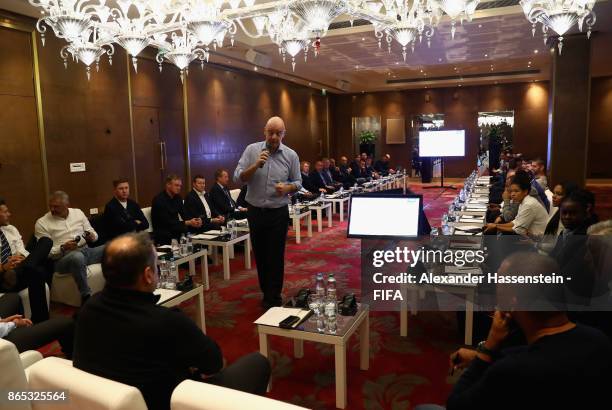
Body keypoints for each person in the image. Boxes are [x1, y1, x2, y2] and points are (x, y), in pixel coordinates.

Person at [73, 233, 270, 410]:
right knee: (257, 363)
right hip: (173, 401)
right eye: (157, 266)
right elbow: (213, 363)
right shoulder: (166, 321)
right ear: (148, 275)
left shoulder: (87, 309)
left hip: (101, 399)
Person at [443, 252, 612, 410]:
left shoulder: (511, 370)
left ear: (512, 303)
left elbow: (456, 405)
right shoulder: (600, 340)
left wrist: (486, 350)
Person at [233, 116, 301, 309]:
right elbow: (238, 177)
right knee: (261, 255)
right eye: (270, 132)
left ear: (283, 134)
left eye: (278, 133)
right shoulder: (252, 150)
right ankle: (266, 293)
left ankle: (275, 296)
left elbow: (298, 182)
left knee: (276, 255)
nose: (273, 137)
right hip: (255, 212)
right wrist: (255, 165)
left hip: (278, 212)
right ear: (264, 131)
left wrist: (288, 188)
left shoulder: (291, 155)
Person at [35, 191, 105, 304]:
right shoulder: (42, 223)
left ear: (67, 205)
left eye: (56, 207)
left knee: (111, 248)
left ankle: (116, 288)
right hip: (62, 259)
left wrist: (92, 236)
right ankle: (86, 297)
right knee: (77, 257)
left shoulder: (78, 213)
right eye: (50, 206)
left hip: (86, 251)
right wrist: (63, 247)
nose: (52, 209)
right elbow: (43, 253)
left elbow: (94, 234)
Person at [0, 198, 52, 323]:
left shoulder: (11, 229)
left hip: (19, 270)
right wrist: (4, 267)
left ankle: (28, 266)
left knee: (46, 241)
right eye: (5, 212)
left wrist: (21, 258)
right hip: (3, 277)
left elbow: (22, 250)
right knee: (37, 271)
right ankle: (41, 320)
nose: (9, 214)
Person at [0, 292, 73, 355]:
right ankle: (75, 363)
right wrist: (14, 323)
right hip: (2, 341)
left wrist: (3, 320)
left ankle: (25, 330)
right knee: (67, 323)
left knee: (12, 297)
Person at [484, 171, 548, 237]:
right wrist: (495, 225)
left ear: (525, 191)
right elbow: (515, 222)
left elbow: (519, 230)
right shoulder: (523, 201)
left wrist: (496, 226)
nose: (512, 194)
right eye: (511, 191)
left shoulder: (529, 204)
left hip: (536, 241)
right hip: (528, 236)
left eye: (516, 191)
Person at [151, 175, 203, 245]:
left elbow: (184, 214)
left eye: (180, 186)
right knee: (183, 231)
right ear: (168, 185)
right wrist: (187, 223)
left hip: (176, 228)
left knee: (195, 230)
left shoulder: (178, 198)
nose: (179, 188)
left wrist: (194, 220)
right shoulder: (159, 200)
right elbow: (166, 222)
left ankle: (202, 254)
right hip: (163, 231)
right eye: (176, 185)